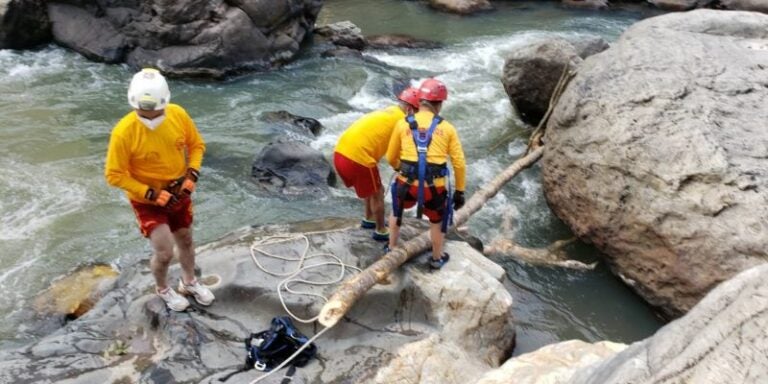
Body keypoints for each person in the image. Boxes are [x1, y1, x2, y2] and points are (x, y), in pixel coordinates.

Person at [105, 68, 214, 311]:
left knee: (185, 239)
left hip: (178, 191)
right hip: (146, 201)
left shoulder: (178, 115)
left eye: (155, 110)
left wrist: (192, 173)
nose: (151, 116)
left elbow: (196, 145)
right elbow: (114, 174)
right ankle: (163, 288)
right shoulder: (124, 132)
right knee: (164, 252)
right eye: (144, 112)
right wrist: (149, 193)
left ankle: (189, 282)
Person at [385, 78, 466, 269]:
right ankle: (437, 258)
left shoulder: (403, 124)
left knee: (397, 210)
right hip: (434, 188)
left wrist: (400, 168)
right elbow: (459, 163)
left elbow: (390, 156)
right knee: (437, 220)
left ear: (420, 101)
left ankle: (391, 246)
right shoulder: (447, 128)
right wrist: (460, 191)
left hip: (406, 184)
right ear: (439, 104)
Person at [333, 87, 420, 241]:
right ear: (410, 109)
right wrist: (401, 168)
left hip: (341, 153)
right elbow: (393, 155)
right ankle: (381, 230)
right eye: (418, 111)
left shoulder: (391, 111)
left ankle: (369, 219)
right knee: (378, 192)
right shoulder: (403, 122)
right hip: (357, 158)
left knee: (371, 189)